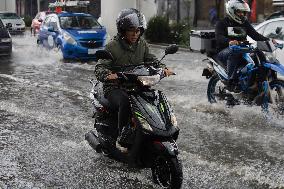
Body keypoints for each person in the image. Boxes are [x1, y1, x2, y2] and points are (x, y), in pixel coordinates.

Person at [94, 8, 174, 152]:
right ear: (123, 30)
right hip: (115, 88)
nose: (135, 34)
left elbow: (152, 61)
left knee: (155, 96)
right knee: (125, 101)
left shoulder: (142, 44)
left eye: (138, 30)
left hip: (136, 84)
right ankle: (122, 137)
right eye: (131, 30)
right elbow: (100, 67)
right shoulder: (113, 46)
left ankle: (160, 129)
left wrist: (163, 68)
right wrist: (108, 75)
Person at [215, 0, 274, 92]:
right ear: (232, 11)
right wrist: (229, 41)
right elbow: (219, 38)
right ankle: (231, 82)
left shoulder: (244, 23)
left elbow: (255, 35)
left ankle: (259, 80)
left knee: (258, 53)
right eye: (239, 11)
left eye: (243, 12)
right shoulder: (222, 23)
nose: (242, 14)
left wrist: (269, 40)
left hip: (241, 49)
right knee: (234, 52)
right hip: (223, 52)